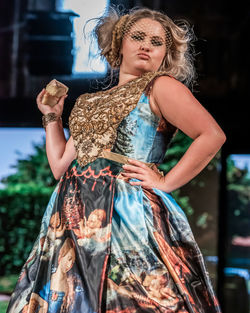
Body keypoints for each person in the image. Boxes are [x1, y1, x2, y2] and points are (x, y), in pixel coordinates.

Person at [7, 6, 226, 313]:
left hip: (126, 212)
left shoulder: (160, 87)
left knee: (131, 298)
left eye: (157, 41)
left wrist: (166, 182)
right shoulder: (87, 102)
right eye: (138, 37)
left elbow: (212, 135)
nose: (147, 45)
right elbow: (60, 166)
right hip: (72, 214)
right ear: (119, 42)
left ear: (166, 54)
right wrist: (53, 117)